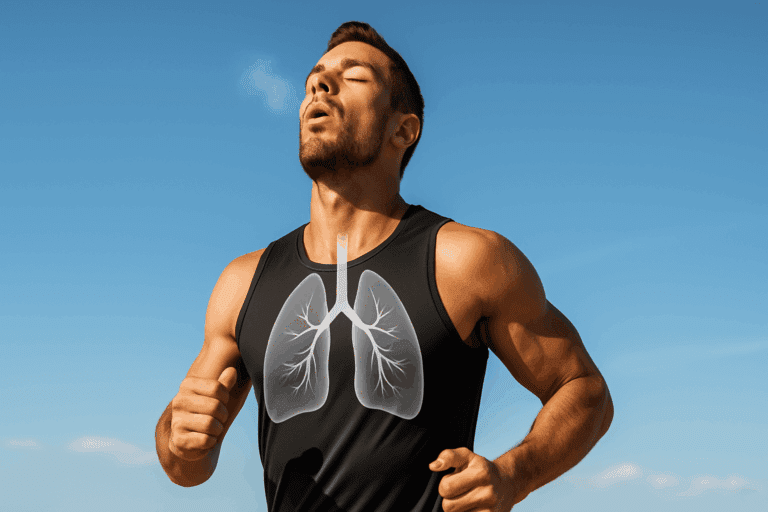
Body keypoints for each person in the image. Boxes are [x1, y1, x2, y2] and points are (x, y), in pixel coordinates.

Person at [155, 21, 613, 512]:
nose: (320, 84)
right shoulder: (243, 282)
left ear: (403, 129)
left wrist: (512, 475)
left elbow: (584, 390)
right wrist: (181, 440)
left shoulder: (465, 261)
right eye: (314, 79)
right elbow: (185, 466)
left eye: (354, 76)